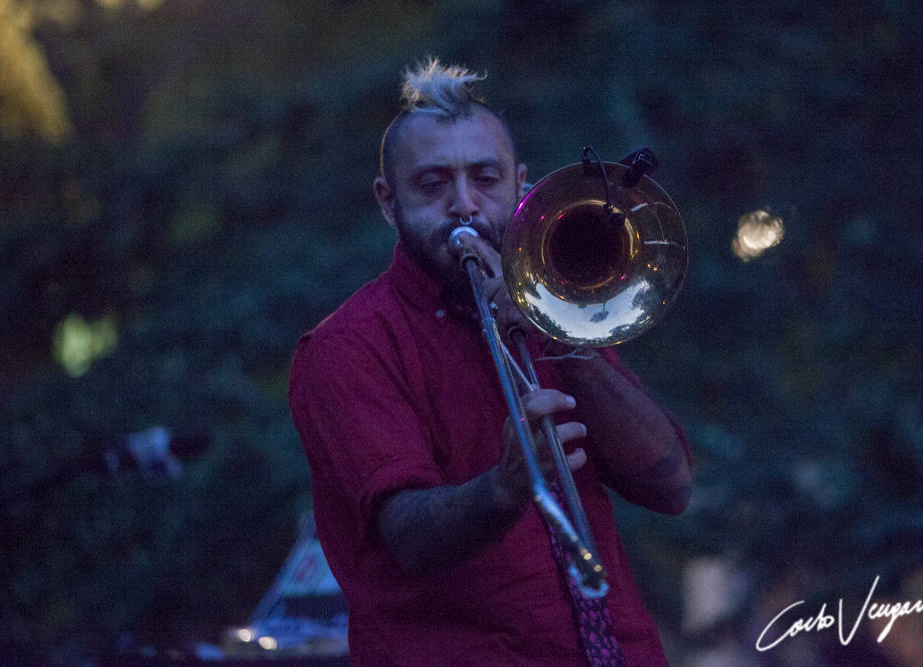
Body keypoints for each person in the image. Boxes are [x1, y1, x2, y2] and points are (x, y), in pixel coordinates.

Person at [288, 59, 692, 667]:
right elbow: (409, 539)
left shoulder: (555, 308)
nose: (464, 205)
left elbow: (671, 486)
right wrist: (506, 485)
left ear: (520, 185)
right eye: (433, 185)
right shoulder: (348, 347)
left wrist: (563, 342)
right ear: (388, 202)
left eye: (485, 179)